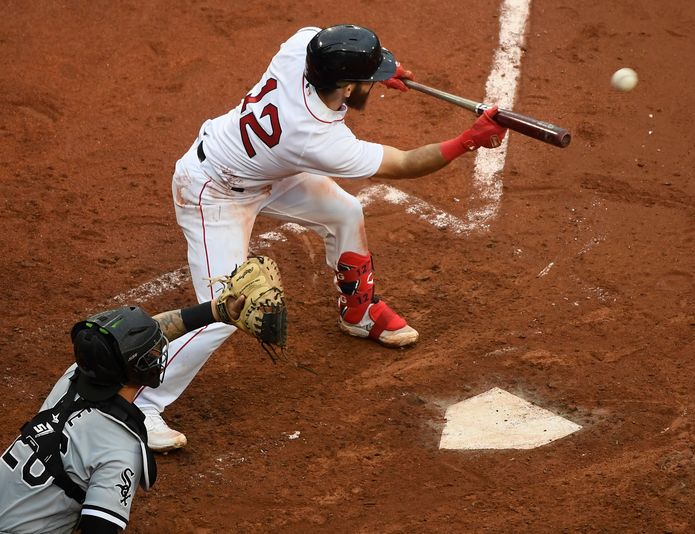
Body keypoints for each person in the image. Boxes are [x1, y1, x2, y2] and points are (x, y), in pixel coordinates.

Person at [137, 23, 507, 452]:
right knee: (230, 307)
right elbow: (404, 163)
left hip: (269, 171)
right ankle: (139, 405)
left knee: (344, 212)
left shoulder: (302, 49)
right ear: (347, 87)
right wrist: (469, 140)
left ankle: (359, 312)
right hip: (213, 191)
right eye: (368, 79)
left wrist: (381, 66)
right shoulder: (316, 138)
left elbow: (329, 38)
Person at [0, 295, 243, 533]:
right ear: (139, 367)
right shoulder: (120, 449)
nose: (158, 352)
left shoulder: (73, 377)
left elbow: (130, 344)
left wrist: (215, 310)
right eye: (153, 352)